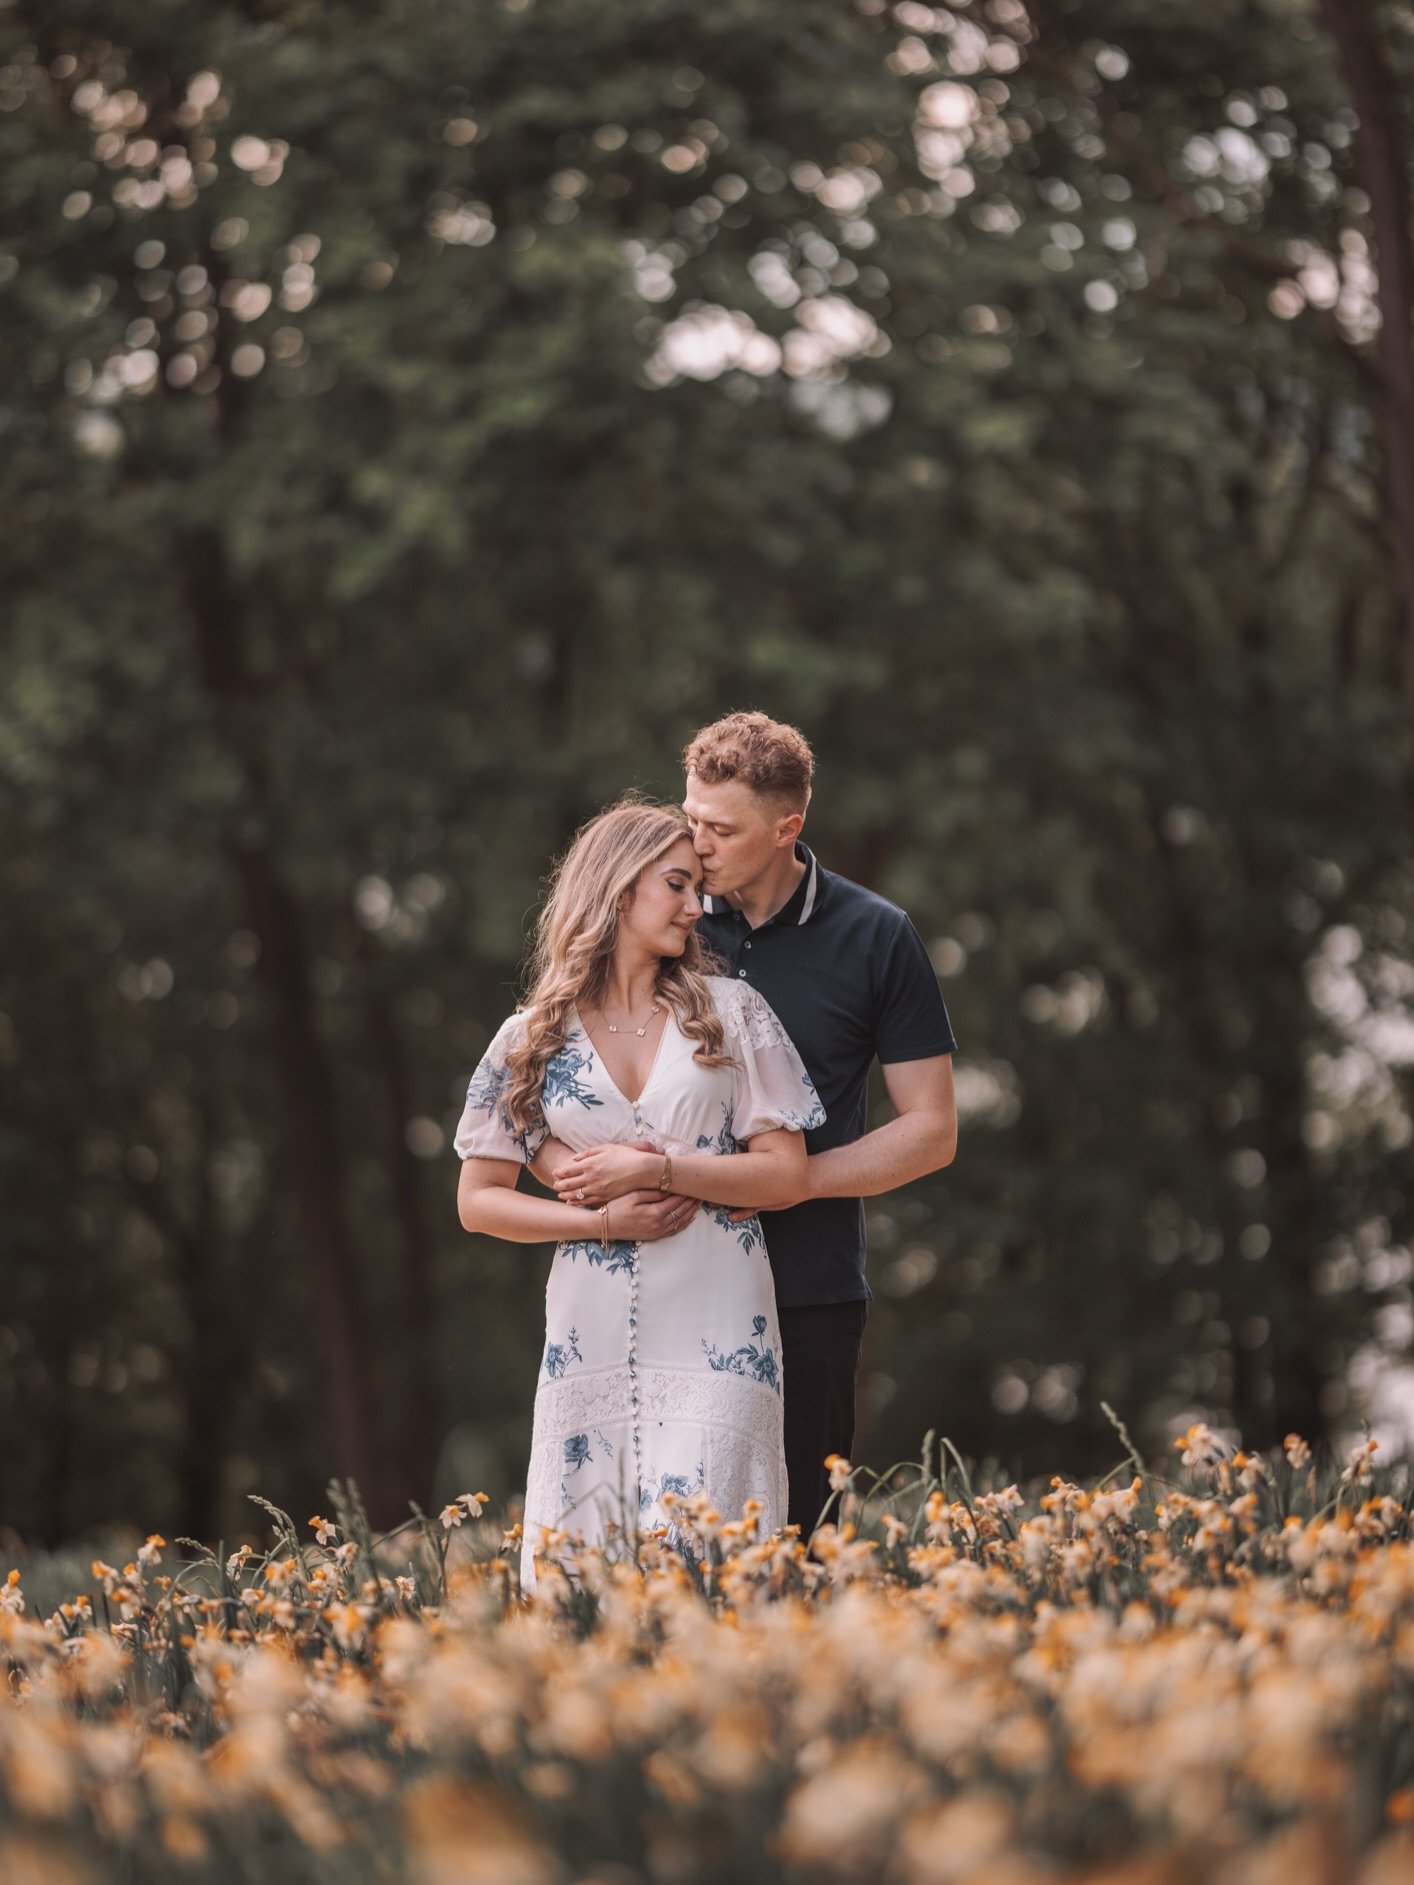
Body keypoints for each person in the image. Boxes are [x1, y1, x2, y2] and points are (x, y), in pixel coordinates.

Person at [454, 799, 824, 1590]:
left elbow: (786, 1174)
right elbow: (479, 1199)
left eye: (698, 888)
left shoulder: (732, 1017)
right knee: (585, 1571)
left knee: (713, 1562)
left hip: (720, 1319)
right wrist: (602, 1219)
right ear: (619, 890)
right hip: (587, 1329)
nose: (699, 907)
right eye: (678, 885)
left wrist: (656, 1171)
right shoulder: (532, 1036)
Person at [684, 712, 958, 1533]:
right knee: (669, 1542)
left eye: (721, 830)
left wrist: (790, 1185)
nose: (695, 845)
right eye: (689, 818)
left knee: (802, 1537)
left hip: (809, 1286)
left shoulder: (878, 936)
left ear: (786, 829)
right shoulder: (665, 922)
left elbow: (933, 1128)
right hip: (668, 1274)